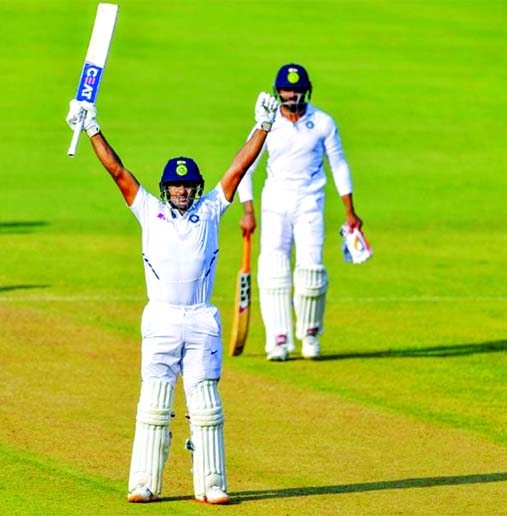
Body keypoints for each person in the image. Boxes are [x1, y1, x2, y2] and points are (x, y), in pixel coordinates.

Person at [66, 92, 279, 504]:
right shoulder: (148, 209)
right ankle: (144, 483)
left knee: (206, 405)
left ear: (196, 188)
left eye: (187, 186)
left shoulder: (211, 209)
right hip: (161, 318)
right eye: (176, 186)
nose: (182, 191)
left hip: (201, 318)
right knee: (154, 404)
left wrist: (263, 126)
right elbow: (117, 171)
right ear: (166, 189)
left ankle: (211, 483)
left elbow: (239, 167)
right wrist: (92, 127)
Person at [236, 63, 364, 362]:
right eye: (285, 89)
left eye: (296, 89)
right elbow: (244, 168)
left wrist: (350, 212)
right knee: (273, 270)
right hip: (275, 203)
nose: (291, 95)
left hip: (310, 202)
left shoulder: (322, 122)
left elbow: (339, 165)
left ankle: (309, 333)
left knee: (312, 270)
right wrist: (248, 209)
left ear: (306, 91)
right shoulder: (266, 124)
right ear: (277, 91)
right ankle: (277, 339)